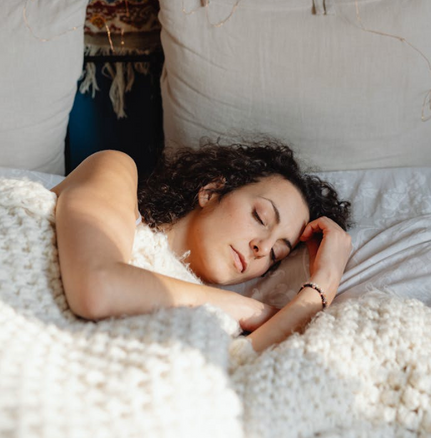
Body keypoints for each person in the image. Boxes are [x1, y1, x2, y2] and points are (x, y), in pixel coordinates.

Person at [50, 141, 352, 352]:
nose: (262, 248)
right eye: (260, 217)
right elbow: (98, 287)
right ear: (211, 191)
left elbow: (239, 365)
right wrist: (251, 311)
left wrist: (326, 278)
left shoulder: (209, 318)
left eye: (277, 254)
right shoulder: (115, 168)